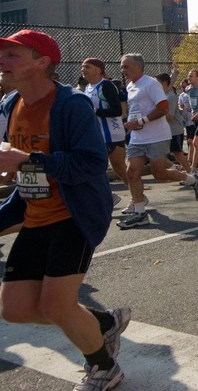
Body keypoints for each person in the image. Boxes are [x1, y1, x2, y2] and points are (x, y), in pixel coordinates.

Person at [0, 30, 131, 391]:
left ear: (41, 63)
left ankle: (104, 368)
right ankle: (102, 323)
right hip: (34, 212)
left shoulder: (70, 104)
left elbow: (90, 163)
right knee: (14, 309)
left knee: (57, 305)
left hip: (74, 215)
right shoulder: (11, 106)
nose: (3, 62)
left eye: (13, 56)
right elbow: (23, 172)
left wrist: (29, 158)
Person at [117, 54, 198, 228]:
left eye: (126, 66)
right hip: (137, 137)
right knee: (132, 172)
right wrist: (130, 123)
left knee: (159, 173)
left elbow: (163, 108)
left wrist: (141, 121)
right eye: (122, 67)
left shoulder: (151, 84)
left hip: (157, 136)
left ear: (138, 67)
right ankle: (140, 213)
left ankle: (194, 180)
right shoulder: (130, 86)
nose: (123, 70)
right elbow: (136, 109)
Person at [81, 58, 127, 183]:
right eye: (83, 67)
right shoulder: (87, 88)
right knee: (95, 167)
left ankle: (137, 192)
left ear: (98, 70)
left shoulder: (106, 86)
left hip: (112, 134)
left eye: (87, 67)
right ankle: (107, 196)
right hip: (96, 135)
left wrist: (94, 111)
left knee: (119, 168)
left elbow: (117, 111)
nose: (83, 70)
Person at [156, 73, 193, 176]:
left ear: (164, 83)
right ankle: (173, 167)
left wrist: (154, 115)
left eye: (157, 83)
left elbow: (169, 116)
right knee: (158, 152)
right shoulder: (162, 95)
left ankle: (191, 173)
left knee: (177, 153)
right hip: (165, 131)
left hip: (174, 130)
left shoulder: (170, 96)